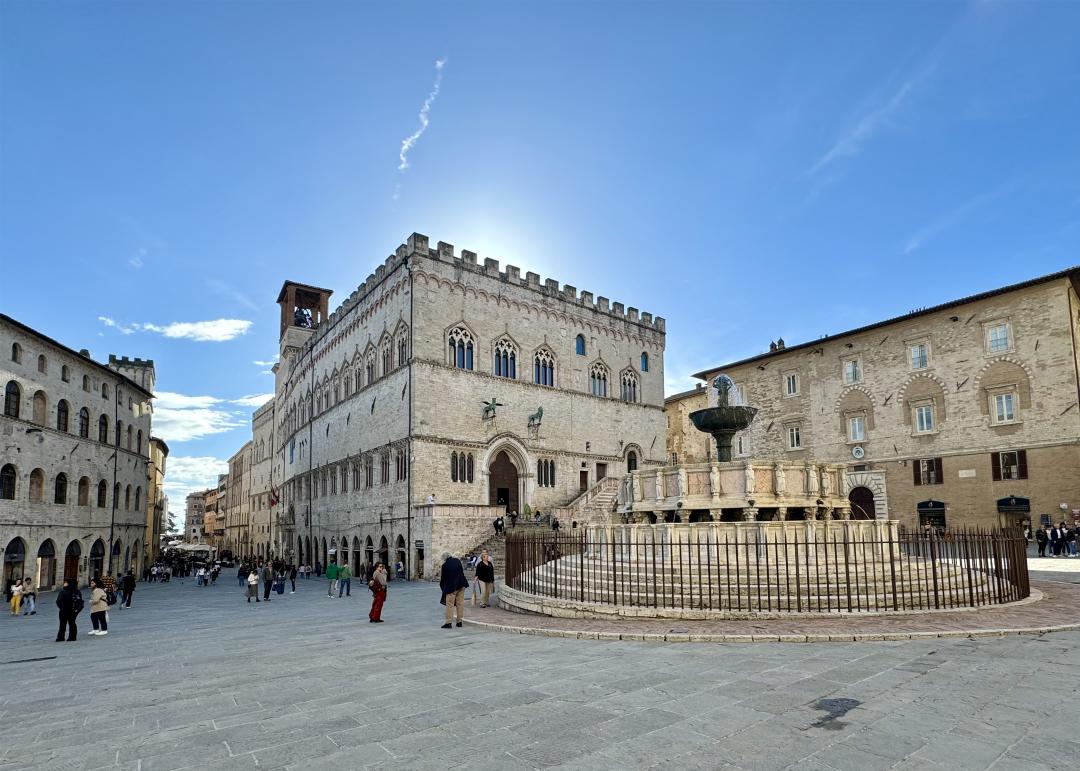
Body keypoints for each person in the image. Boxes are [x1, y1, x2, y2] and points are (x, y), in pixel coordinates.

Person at [439, 552, 469, 629]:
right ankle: (459, 622)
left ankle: (448, 623)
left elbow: (443, 579)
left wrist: (443, 588)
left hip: (451, 587)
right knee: (460, 604)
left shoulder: (444, 565)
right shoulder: (457, 561)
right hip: (461, 584)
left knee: (450, 605)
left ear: (444, 559)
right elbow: (461, 572)